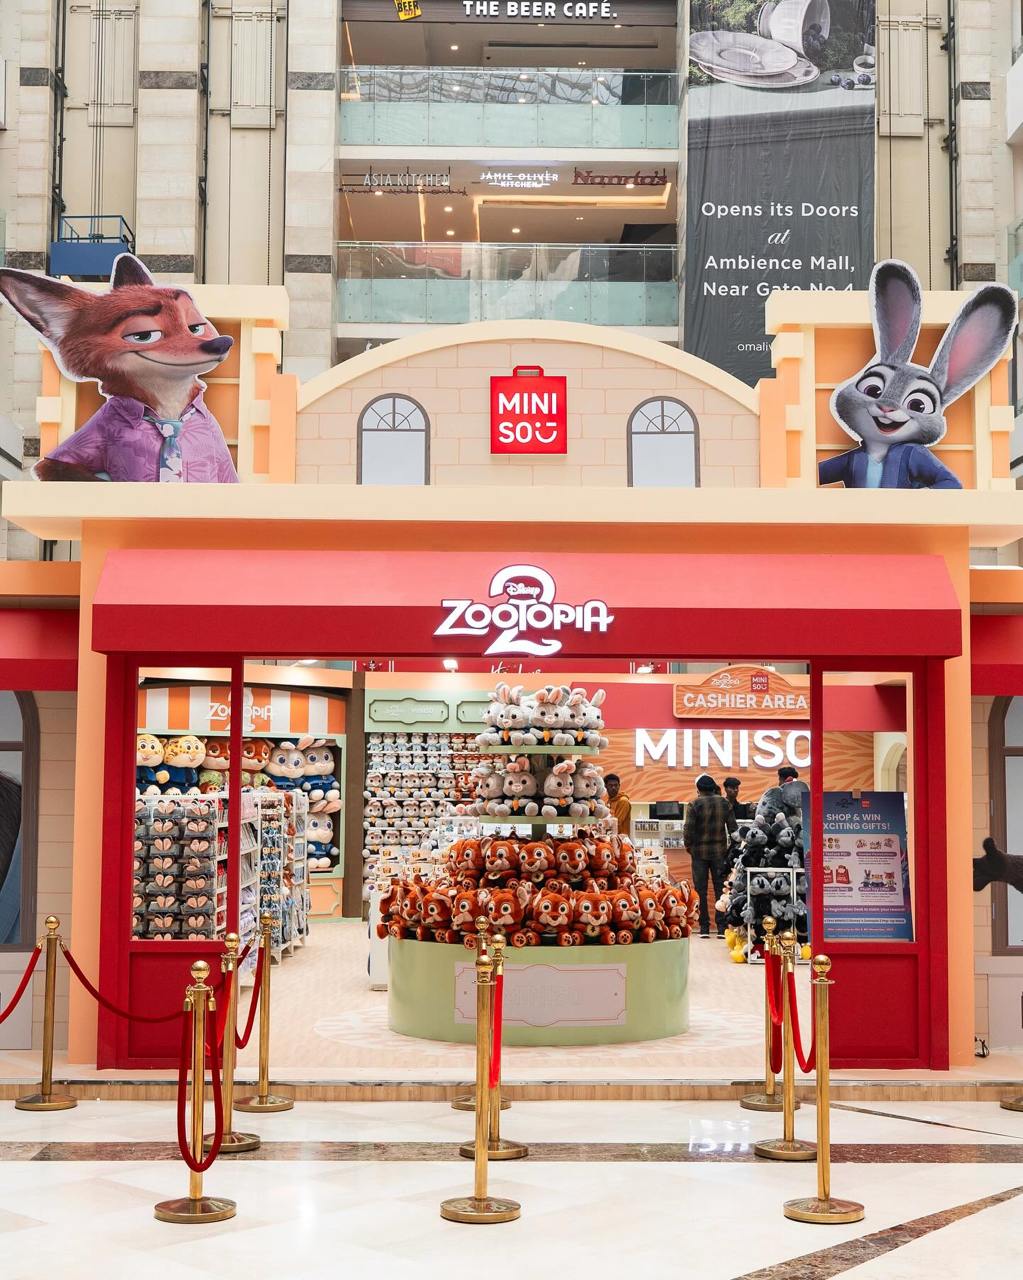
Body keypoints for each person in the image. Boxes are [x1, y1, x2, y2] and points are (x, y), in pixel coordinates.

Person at [683, 773, 737, 938]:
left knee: (701, 890)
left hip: (699, 853)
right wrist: (733, 849)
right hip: (720, 853)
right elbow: (733, 829)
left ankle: (704, 928)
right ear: (714, 788)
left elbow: (688, 829)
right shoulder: (725, 803)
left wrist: (689, 846)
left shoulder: (694, 804)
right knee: (721, 889)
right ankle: (721, 928)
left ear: (698, 789)